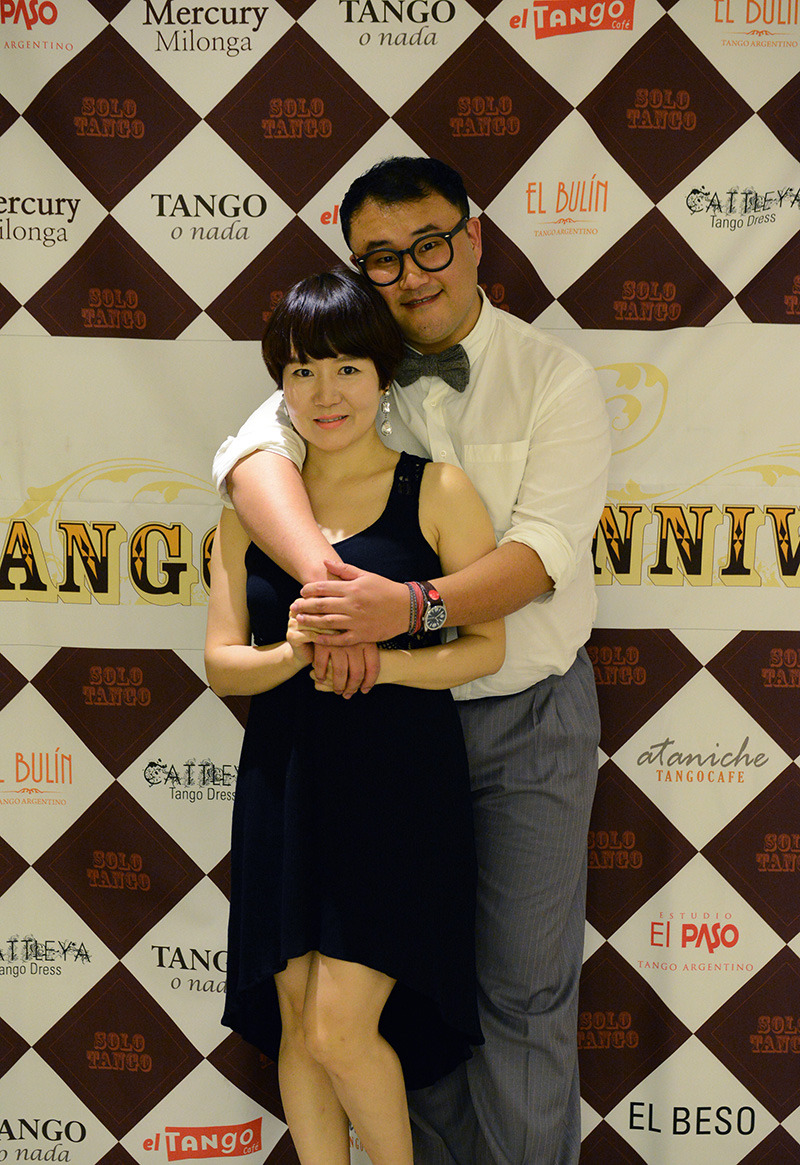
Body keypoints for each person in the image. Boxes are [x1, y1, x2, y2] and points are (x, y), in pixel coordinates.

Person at [212, 157, 611, 1165]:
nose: (411, 273)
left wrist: (403, 611)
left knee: (522, 990)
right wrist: (335, 604)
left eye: (429, 244)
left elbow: (540, 557)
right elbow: (247, 469)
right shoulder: (333, 366)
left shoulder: (553, 377)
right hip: (370, 738)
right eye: (381, 257)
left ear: (473, 238)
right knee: (396, 1004)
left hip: (522, 714)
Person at [204, 267, 504, 1165]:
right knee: (298, 1023)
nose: (325, 393)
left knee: (340, 1027)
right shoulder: (249, 510)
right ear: (280, 385)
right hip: (285, 781)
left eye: (346, 368)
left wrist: (383, 660)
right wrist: (297, 652)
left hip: (398, 785)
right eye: (302, 371)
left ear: (383, 375)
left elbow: (487, 646)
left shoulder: (438, 490)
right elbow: (222, 662)